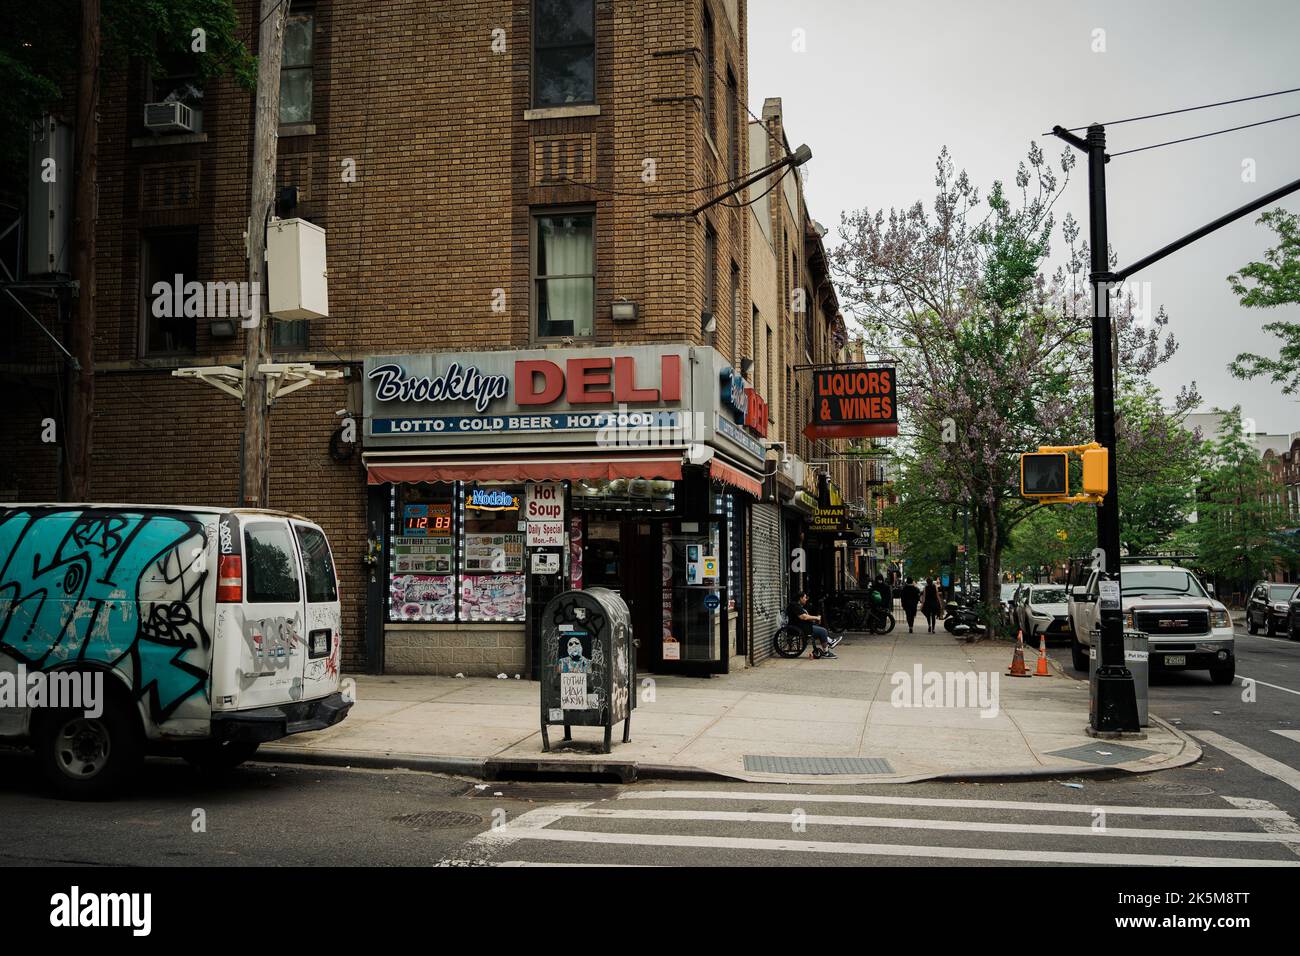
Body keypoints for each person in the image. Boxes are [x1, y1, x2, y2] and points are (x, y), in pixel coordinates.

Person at [786, 590, 836, 659]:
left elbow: (805, 616)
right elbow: (803, 617)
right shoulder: (795, 606)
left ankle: (830, 641)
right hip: (799, 628)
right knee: (823, 631)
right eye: (805, 597)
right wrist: (816, 618)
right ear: (800, 598)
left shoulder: (797, 605)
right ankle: (826, 652)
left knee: (820, 629)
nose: (806, 599)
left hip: (802, 626)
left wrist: (814, 619)